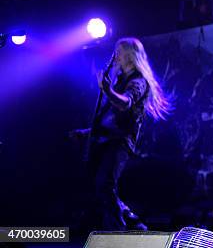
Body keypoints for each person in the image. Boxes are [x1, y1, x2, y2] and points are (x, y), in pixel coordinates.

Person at [70, 37, 172, 230]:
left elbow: (125, 103)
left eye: (120, 51)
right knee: (102, 187)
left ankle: (118, 234)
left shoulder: (138, 81)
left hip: (120, 141)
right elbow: (109, 117)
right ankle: (132, 221)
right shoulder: (120, 80)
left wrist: (107, 90)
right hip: (107, 139)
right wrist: (87, 132)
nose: (115, 55)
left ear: (130, 55)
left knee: (104, 184)